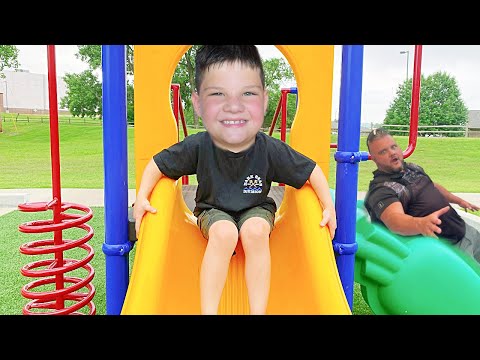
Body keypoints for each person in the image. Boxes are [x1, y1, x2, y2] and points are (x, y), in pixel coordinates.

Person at [133, 45, 337, 315]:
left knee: (254, 231)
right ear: (199, 103)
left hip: (256, 208)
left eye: (247, 94)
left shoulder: (268, 148)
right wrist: (142, 199)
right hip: (212, 209)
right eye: (218, 95)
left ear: (262, 102)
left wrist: (328, 207)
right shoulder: (199, 145)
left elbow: (311, 171)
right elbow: (157, 165)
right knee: (224, 233)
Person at [364, 127, 480, 263]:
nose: (392, 153)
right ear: (374, 158)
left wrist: (458, 201)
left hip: (465, 231)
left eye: (393, 147)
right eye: (383, 151)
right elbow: (394, 220)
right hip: (449, 251)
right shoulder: (381, 189)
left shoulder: (412, 168)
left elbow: (431, 185)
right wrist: (420, 224)